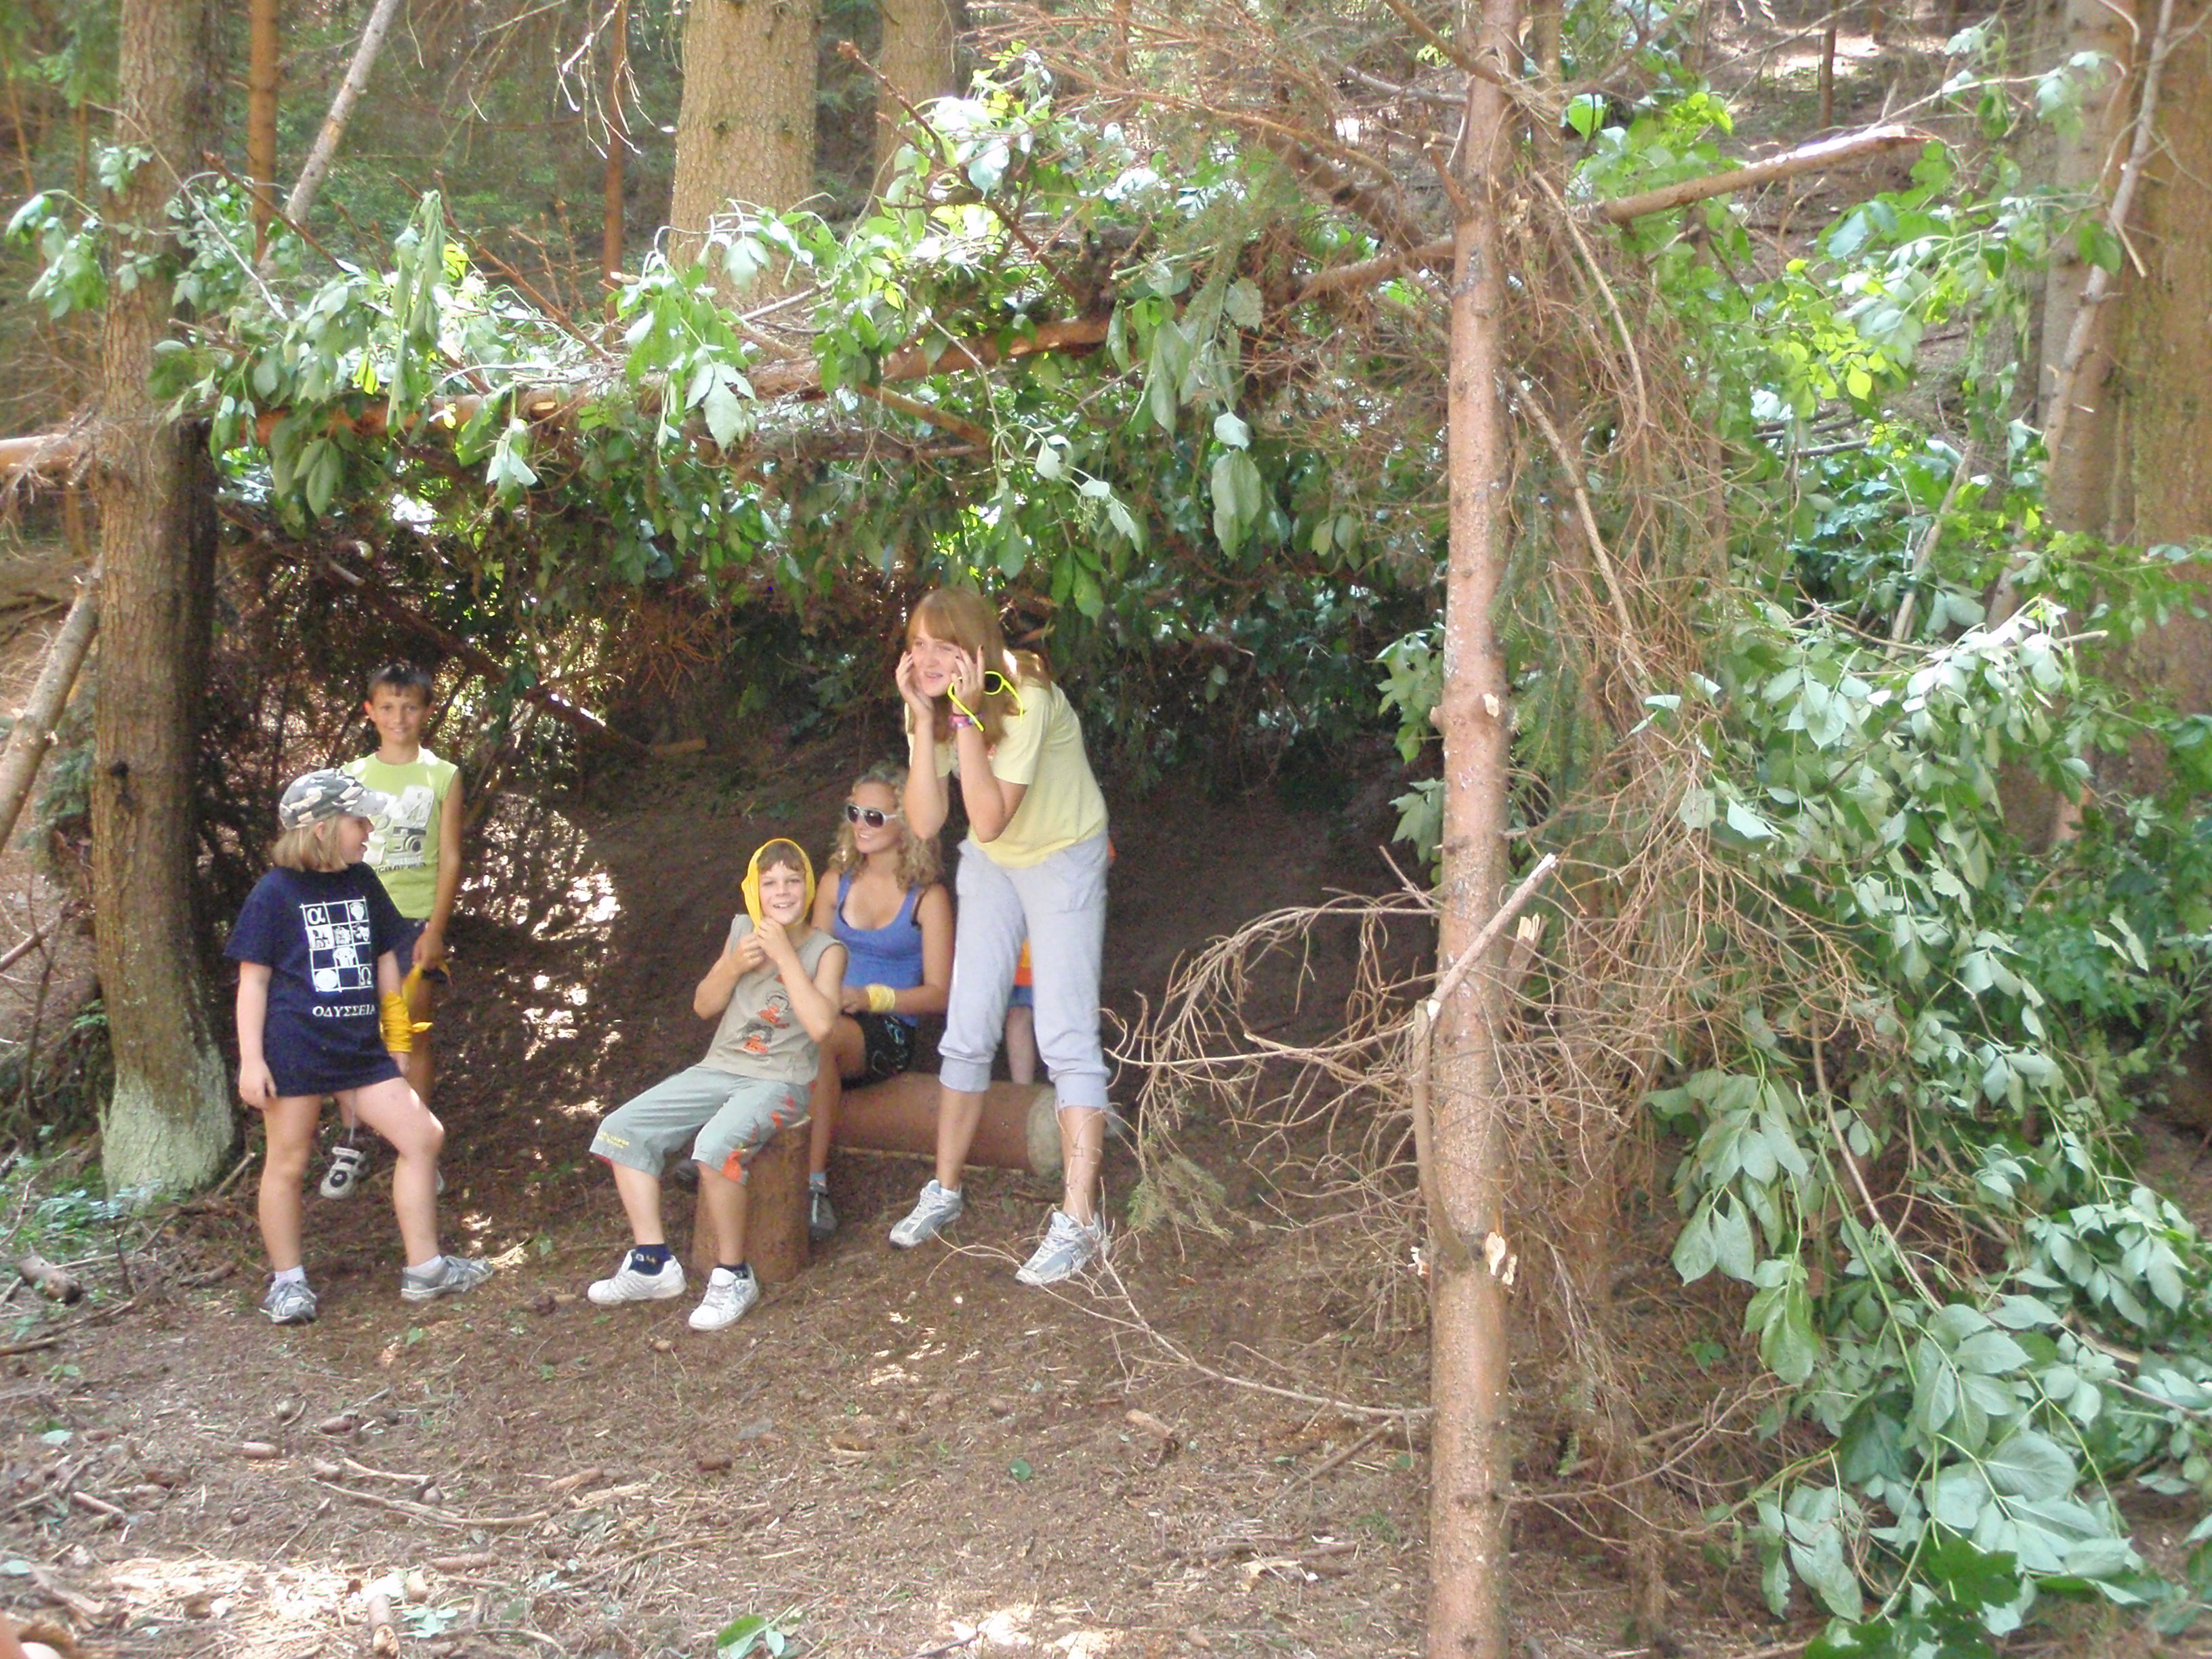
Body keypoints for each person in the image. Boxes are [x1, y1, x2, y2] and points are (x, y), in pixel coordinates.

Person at [888, 587, 1113, 1286]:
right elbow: (926, 822)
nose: (927, 658)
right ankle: (945, 1189)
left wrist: (959, 715)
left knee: (1065, 1034)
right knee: (967, 1025)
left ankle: (1080, 1219)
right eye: (917, 645)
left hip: (1061, 855)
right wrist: (922, 721)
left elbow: (988, 815)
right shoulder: (934, 701)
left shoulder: (1025, 695)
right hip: (995, 861)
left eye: (942, 644)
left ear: (978, 646)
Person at [227, 770, 493, 1325]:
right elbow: (253, 981)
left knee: (422, 1136)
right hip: (296, 1050)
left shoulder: (363, 881)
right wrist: (251, 1061)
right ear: (322, 829)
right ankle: (288, 1283)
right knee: (288, 1162)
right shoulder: (274, 892)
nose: (370, 830)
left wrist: (397, 1035)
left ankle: (426, 1269)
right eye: (359, 821)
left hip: (360, 1050)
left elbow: (385, 958)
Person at [584, 840, 846, 1332]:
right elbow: (704, 1005)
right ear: (754, 890)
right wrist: (733, 965)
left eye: (793, 881)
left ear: (808, 887)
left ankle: (733, 1275)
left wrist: (786, 958)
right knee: (621, 1130)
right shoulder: (742, 929)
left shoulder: (826, 951)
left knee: (715, 1149)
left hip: (782, 1080)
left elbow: (821, 1028)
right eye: (770, 883)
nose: (782, 892)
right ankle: (653, 1262)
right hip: (719, 1069)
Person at [327, 663, 465, 1199]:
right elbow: (334, 850)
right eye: (387, 707)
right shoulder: (351, 775)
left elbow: (450, 857)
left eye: (409, 707)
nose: (398, 718)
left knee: (412, 1030)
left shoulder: (442, 775)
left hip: (413, 921)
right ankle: (353, 1141)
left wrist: (436, 928)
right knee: (352, 1029)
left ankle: (418, 1147)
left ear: (427, 711)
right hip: (355, 919)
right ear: (370, 712)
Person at [805, 762, 954, 1242]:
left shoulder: (928, 898)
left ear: (905, 823)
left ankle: (813, 1185)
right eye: (854, 812)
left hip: (887, 1027)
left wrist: (871, 997)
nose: (860, 825)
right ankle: (724, 1145)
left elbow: (940, 993)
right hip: (829, 1011)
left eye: (874, 816)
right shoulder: (836, 881)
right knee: (778, 1026)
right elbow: (812, 960)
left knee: (819, 1038)